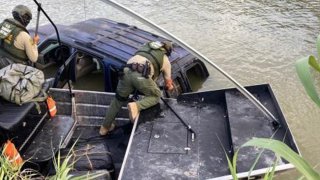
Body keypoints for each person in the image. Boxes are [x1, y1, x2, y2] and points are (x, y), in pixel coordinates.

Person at [100, 41, 175, 135]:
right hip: (141, 75)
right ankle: (136, 106)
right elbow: (168, 83)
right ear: (167, 51)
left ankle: (104, 128)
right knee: (156, 96)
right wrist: (171, 87)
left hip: (125, 71)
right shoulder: (165, 60)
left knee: (118, 100)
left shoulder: (144, 48)